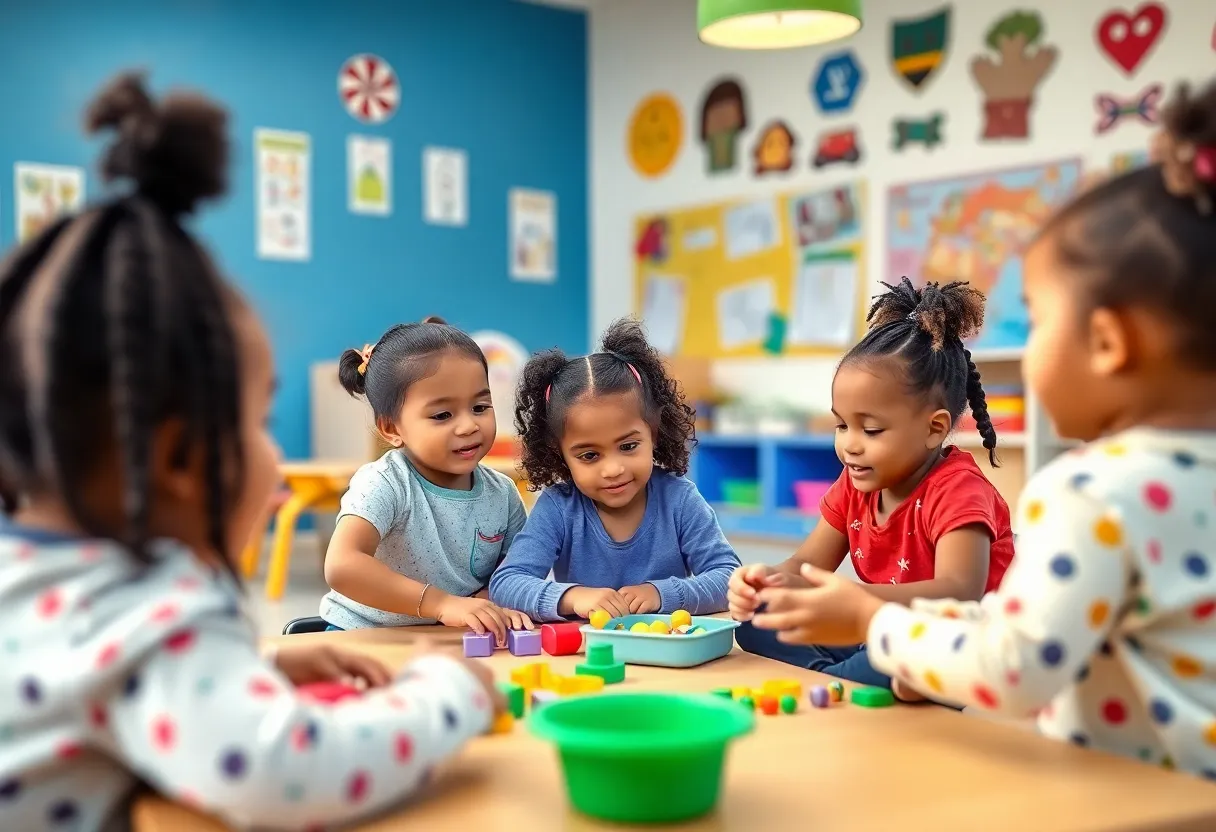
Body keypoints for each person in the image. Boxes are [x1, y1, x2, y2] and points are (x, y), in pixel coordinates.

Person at [0, 72, 502, 830]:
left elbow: (106, 691)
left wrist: (260, 666)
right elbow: (290, 773)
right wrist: (453, 696)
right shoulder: (155, 618)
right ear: (176, 462)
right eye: (261, 420)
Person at [747, 80, 1216, 776]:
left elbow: (1016, 666)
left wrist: (875, 624)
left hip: (1130, 799)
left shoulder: (1092, 492)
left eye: (1038, 318)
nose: (1027, 351)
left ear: (1110, 343)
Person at [729, 279, 1014, 693]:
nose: (849, 445)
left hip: (953, 647)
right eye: (842, 425)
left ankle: (841, 681)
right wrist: (762, 581)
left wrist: (857, 602)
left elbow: (960, 592)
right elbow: (805, 567)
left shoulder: (958, 491)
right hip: (878, 631)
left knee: (891, 662)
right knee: (759, 621)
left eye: (872, 429)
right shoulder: (857, 484)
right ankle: (843, 679)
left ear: (935, 429)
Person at [489, 319, 740, 622]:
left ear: (654, 433)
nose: (613, 469)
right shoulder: (560, 507)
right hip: (587, 658)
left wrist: (662, 594)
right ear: (561, 454)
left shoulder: (679, 499)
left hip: (670, 658)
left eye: (628, 446)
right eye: (590, 455)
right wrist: (572, 597)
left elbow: (729, 578)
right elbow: (506, 584)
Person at [321, 318, 532, 639]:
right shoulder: (385, 482)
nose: (468, 426)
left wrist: (488, 600)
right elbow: (343, 565)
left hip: (451, 637)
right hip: (364, 633)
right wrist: (441, 604)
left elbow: (516, 570)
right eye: (442, 415)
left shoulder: (502, 493)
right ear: (391, 428)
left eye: (480, 406)